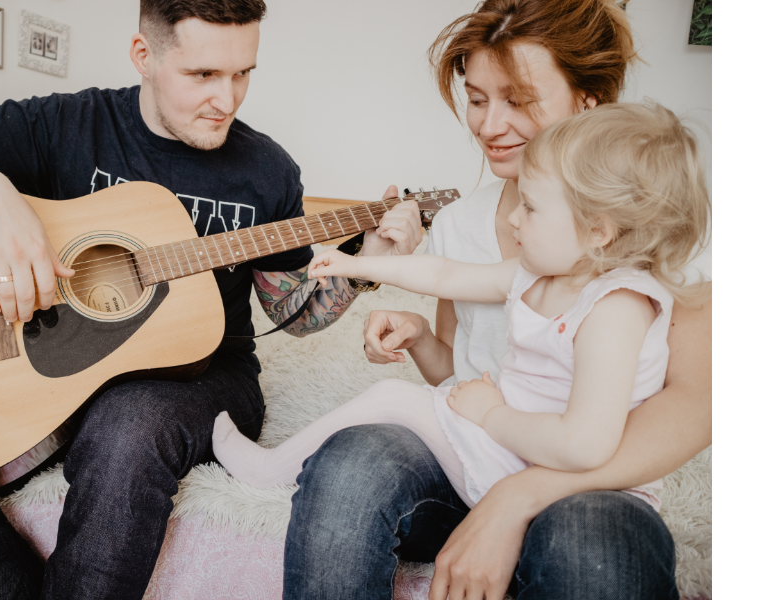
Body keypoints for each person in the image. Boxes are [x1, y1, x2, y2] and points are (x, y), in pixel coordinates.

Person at [0, 1, 423, 599]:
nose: (227, 99)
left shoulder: (267, 170)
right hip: (65, 362)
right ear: (144, 55)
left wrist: (365, 263)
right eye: (203, 75)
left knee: (126, 424)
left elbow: (290, 313)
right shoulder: (69, 124)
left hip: (204, 368)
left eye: (243, 73)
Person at [277, 1, 713, 599]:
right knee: (349, 462)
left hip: (591, 485)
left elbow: (700, 403)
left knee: (594, 547)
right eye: (477, 99)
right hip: (472, 457)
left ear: (587, 102)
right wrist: (422, 337)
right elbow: (460, 376)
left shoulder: (655, 239)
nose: (487, 125)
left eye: (519, 100)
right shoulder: (462, 224)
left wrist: (518, 497)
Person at [213, 101, 710, 516]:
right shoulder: (541, 272)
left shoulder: (616, 309)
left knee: (392, 397)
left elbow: (585, 446)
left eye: (532, 207)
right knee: (398, 401)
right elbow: (447, 274)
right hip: (519, 449)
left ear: (599, 231)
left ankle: (267, 471)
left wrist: (492, 416)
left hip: (558, 474)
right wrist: (355, 263)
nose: (512, 216)